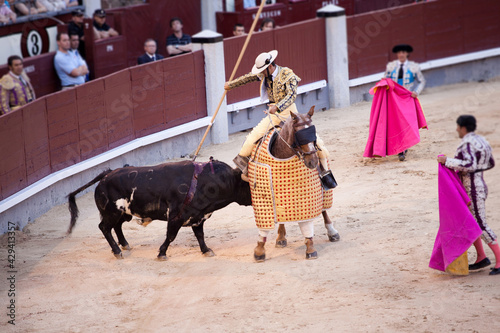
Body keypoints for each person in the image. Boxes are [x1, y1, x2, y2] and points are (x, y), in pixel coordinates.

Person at [224, 50, 332, 183]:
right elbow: (249, 77)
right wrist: (231, 84)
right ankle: (246, 171)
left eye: (263, 70)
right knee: (251, 139)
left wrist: (278, 106)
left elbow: (291, 95)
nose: (261, 73)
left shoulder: (287, 74)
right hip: (273, 115)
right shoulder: (264, 74)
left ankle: (326, 171)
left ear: (270, 67)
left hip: (291, 114)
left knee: (315, 141)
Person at [437, 115, 500, 276]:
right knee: (470, 223)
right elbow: (490, 163)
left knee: (480, 224)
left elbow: (470, 164)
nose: (457, 129)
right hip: (477, 185)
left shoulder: (467, 144)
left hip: (473, 189)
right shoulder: (481, 140)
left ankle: (499, 260)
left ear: (464, 128)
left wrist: (448, 161)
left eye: (458, 126)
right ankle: (481, 257)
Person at [384, 44, 426, 161]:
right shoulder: (391, 66)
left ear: (407, 53)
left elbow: (422, 81)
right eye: (399, 53)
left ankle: (403, 147)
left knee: (406, 123)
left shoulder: (414, 67)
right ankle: (401, 150)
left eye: (403, 52)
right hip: (394, 99)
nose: (401, 54)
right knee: (397, 123)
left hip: (407, 98)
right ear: (397, 54)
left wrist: (416, 91)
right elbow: (385, 80)